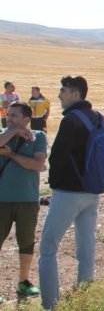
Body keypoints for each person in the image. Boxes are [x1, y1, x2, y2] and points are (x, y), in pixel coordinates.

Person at [39, 75, 104, 310]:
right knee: (86, 244)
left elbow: (59, 156)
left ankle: (50, 304)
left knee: (48, 248)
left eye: (63, 90)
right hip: (93, 192)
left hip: (68, 192)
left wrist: (54, 184)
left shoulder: (71, 120)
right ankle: (84, 295)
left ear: (76, 94)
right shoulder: (101, 120)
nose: (59, 95)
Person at [0, 101, 47, 302]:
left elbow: (38, 163)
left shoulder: (38, 136)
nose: (9, 118)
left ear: (27, 119)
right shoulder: (3, 134)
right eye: (8, 115)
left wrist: (11, 155)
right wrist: (14, 130)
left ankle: (24, 281)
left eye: (14, 116)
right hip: (1, 200)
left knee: (26, 242)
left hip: (28, 199)